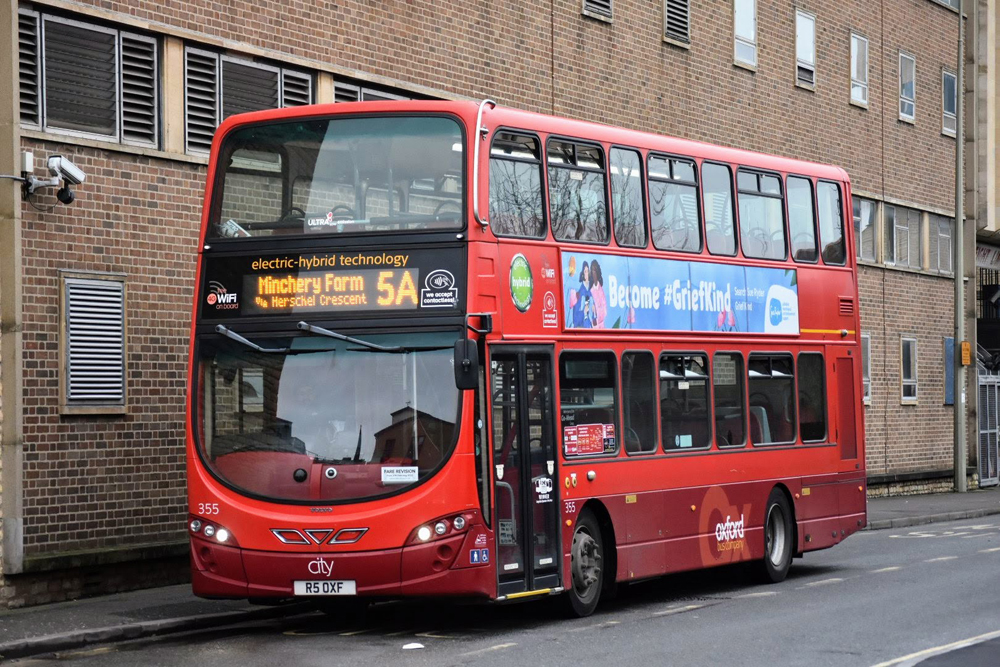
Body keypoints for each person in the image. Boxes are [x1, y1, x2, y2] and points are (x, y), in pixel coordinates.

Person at [570, 262, 597, 328]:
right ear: (582, 274)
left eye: (588, 271)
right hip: (582, 329)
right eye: (585, 271)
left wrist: (594, 312)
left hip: (589, 327)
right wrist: (583, 312)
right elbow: (575, 319)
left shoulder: (591, 293)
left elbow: (594, 321)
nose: (587, 274)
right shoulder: (579, 294)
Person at [589, 259, 607, 328]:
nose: (593, 273)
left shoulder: (601, 290)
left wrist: (598, 312)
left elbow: (605, 310)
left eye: (595, 270)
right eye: (592, 270)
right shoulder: (590, 290)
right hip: (593, 326)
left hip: (601, 326)